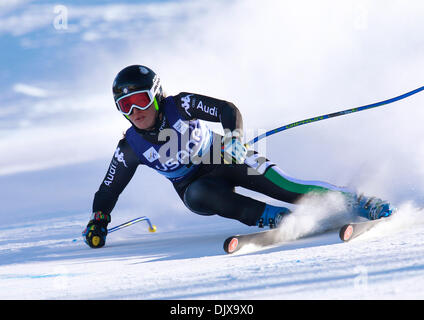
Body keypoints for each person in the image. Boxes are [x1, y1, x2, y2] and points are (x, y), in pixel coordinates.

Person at [83, 65, 395, 248]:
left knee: (284, 185)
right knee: (199, 193)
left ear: (156, 95)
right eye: (125, 106)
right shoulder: (131, 147)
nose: (135, 112)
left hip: (223, 155)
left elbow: (225, 110)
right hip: (196, 187)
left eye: (139, 100)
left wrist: (234, 137)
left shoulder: (180, 104)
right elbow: (109, 189)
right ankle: (276, 219)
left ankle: (356, 202)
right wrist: (99, 220)